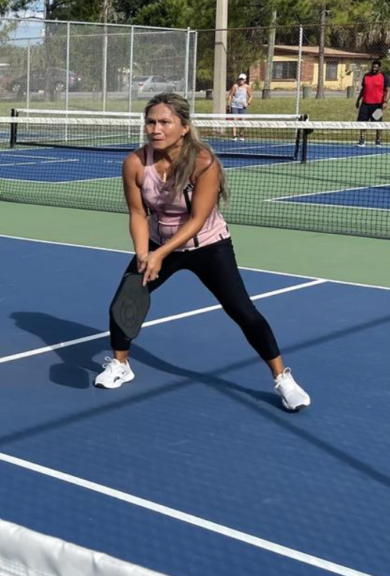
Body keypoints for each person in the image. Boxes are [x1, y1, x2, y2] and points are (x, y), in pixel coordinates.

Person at [95, 93, 311, 412]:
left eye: (164, 122)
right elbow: (138, 214)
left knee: (243, 311)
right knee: (124, 301)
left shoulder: (202, 162)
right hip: (157, 243)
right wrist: (144, 253)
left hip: (208, 246)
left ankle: (283, 378)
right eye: (151, 122)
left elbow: (197, 220)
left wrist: (160, 254)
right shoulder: (135, 164)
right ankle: (120, 365)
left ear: (183, 127)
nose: (155, 128)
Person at [355, 59, 390, 147]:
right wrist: (358, 100)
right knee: (362, 122)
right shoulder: (366, 76)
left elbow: (389, 90)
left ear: (379, 68)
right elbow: (363, 89)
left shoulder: (384, 76)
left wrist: (385, 102)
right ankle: (362, 140)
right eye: (373, 67)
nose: (374, 68)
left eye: (376, 67)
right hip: (365, 104)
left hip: (378, 105)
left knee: (377, 123)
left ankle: (378, 140)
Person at [227, 73, 252, 141]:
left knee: (243, 121)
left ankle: (241, 134)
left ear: (245, 80)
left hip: (243, 107)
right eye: (240, 79)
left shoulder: (247, 87)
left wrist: (248, 103)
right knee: (234, 120)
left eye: (242, 79)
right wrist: (229, 104)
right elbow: (230, 95)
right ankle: (234, 135)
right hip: (234, 106)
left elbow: (251, 96)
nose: (241, 81)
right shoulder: (235, 86)